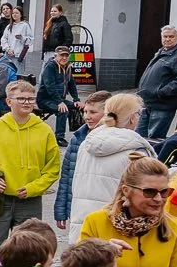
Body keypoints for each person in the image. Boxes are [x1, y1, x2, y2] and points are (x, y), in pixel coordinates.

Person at [0, 80, 60, 247]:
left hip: (30, 201)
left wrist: (34, 188)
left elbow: (53, 169)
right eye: (21, 98)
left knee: (29, 250)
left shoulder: (45, 130)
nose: (27, 102)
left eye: (31, 99)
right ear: (9, 101)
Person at [65, 92, 153, 228]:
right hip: (118, 225)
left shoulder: (86, 144)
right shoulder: (136, 151)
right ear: (132, 118)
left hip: (84, 222)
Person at [135, 25, 177, 139]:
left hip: (162, 105)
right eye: (165, 36)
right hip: (148, 102)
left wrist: (161, 92)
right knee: (139, 137)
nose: (167, 39)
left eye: (171, 36)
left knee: (154, 139)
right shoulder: (162, 51)